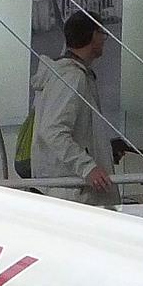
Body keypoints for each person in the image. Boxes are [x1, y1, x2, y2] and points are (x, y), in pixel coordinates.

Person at [30, 12, 118, 207]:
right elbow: (53, 131)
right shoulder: (71, 77)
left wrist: (103, 150)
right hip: (72, 195)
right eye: (101, 32)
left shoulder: (65, 75)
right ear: (92, 35)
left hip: (66, 192)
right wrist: (88, 168)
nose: (104, 38)